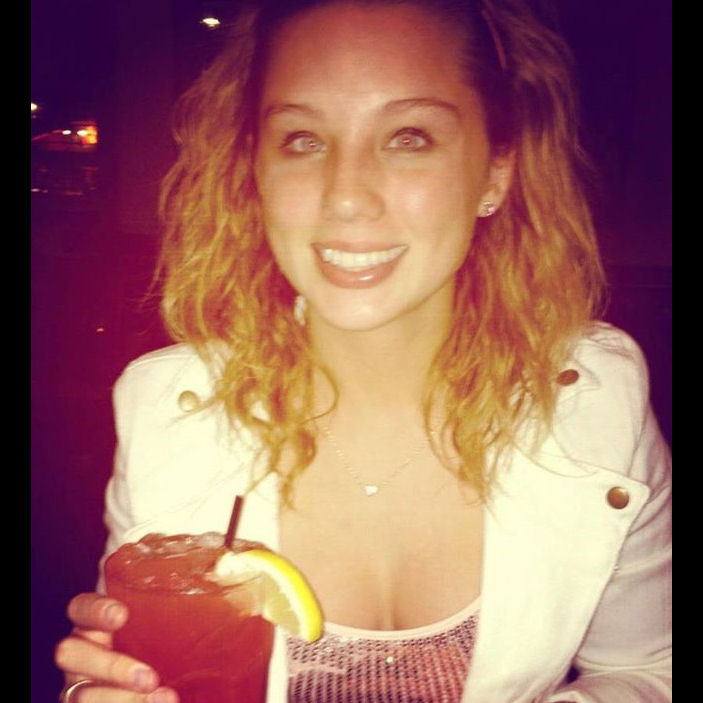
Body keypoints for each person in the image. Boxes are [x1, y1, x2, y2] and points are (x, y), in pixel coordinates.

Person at [54, 0, 671, 701]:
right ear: (255, 170)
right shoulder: (167, 408)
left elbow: (647, 666)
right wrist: (100, 686)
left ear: (495, 172)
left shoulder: (596, 398)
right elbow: (136, 660)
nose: (345, 198)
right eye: (302, 140)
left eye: (408, 137)